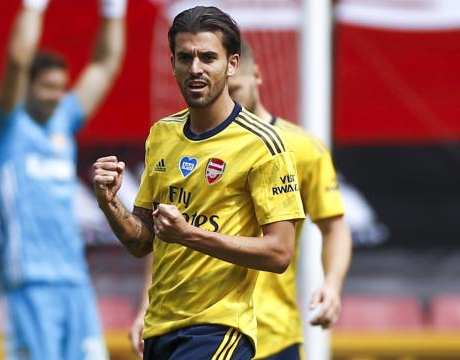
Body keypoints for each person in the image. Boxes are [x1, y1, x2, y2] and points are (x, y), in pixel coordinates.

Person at [93, 6, 304, 359]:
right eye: (185, 57)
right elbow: (142, 241)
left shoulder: (263, 145)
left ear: (232, 64)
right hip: (161, 327)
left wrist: (189, 234)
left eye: (208, 57)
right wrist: (109, 203)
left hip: (219, 328)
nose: (195, 69)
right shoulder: (162, 134)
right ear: (172, 62)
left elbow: (280, 252)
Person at [128, 39, 353, 359]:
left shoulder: (298, 148)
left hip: (270, 332)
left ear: (255, 76)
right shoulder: (180, 141)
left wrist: (331, 285)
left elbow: (334, 227)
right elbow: (166, 235)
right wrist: (144, 308)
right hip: (198, 326)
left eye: (233, 90)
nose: (223, 98)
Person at [0, 0, 126, 358]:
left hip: (75, 280)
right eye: (47, 87)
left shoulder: (64, 119)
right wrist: (34, 6)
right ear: (27, 86)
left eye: (61, 88)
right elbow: (17, 59)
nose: (56, 96)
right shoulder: (5, 130)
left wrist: (113, 10)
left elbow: (105, 65)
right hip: (29, 284)